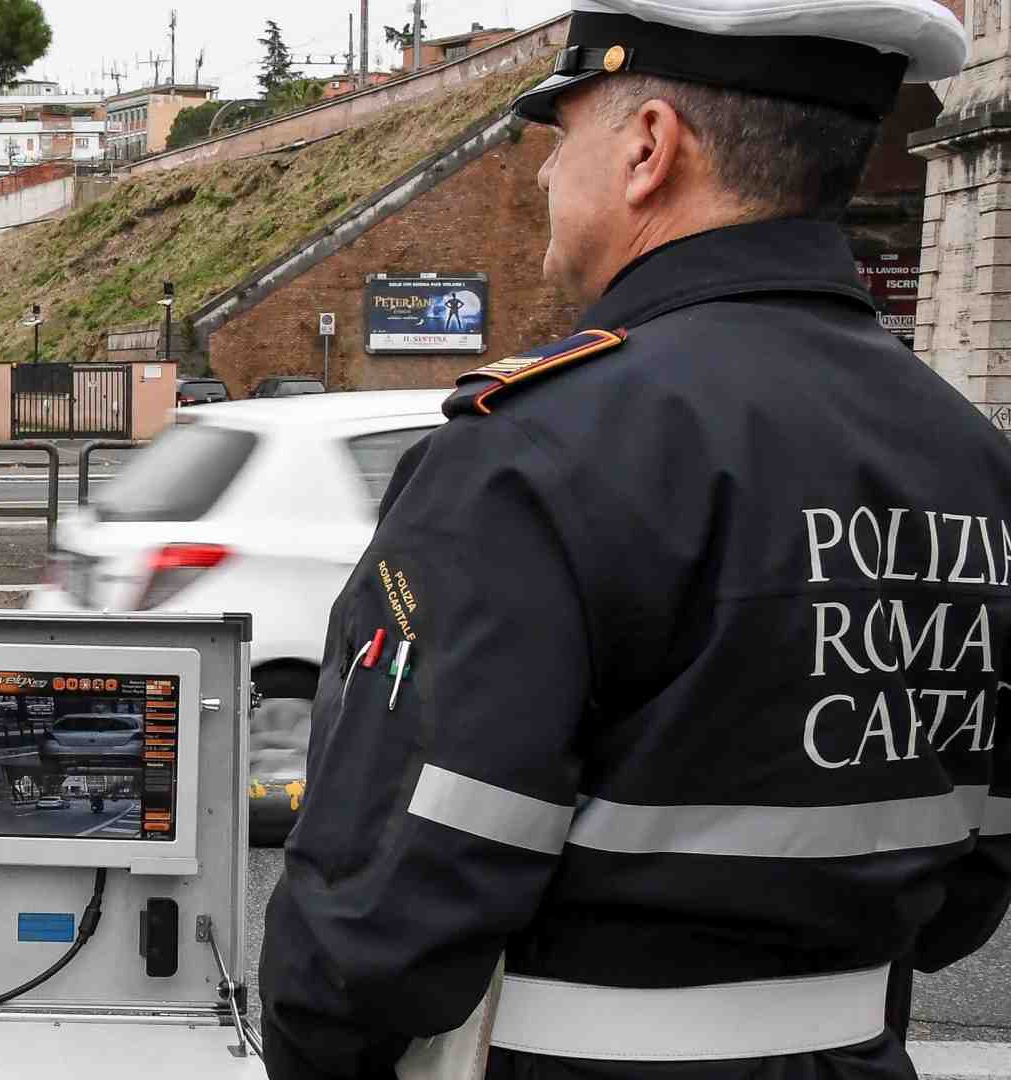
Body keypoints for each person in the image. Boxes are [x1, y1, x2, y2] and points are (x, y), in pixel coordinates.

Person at [259, 0, 1006, 1077]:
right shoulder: (971, 457)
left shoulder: (534, 454)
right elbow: (967, 890)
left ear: (651, 148)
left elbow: (384, 917)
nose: (541, 177)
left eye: (564, 135)